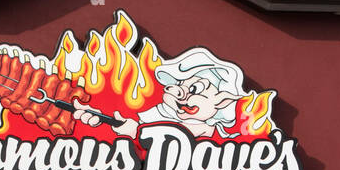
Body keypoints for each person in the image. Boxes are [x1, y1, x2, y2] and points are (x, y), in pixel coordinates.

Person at [73, 47, 249, 140]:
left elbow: (180, 135)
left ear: (222, 101)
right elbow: (139, 127)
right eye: (179, 84)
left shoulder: (218, 136)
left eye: (195, 89)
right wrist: (106, 120)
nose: (181, 94)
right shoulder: (158, 115)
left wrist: (138, 132)